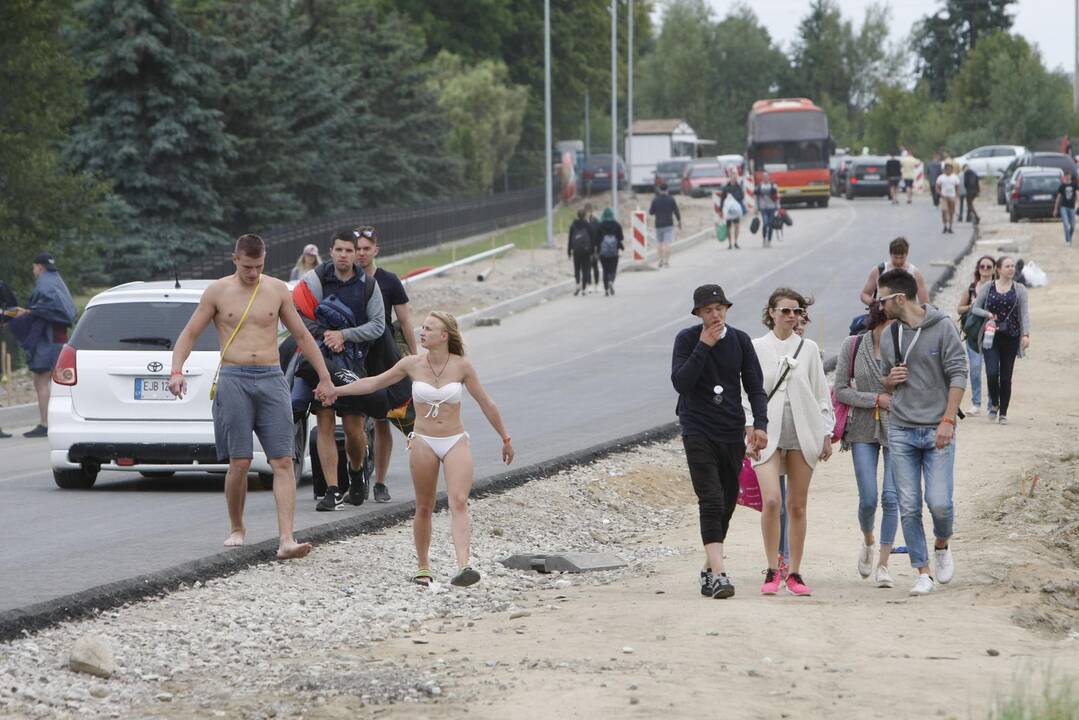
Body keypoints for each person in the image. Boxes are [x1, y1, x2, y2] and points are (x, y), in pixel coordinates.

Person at [168, 234, 334, 559]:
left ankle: (286, 538)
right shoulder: (218, 291)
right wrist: (177, 370)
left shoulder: (275, 290)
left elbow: (301, 334)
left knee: (284, 460)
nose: (253, 273)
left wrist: (325, 377)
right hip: (234, 378)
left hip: (271, 378)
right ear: (235, 260)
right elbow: (189, 334)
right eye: (247, 267)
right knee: (240, 462)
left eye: (259, 266)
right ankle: (237, 526)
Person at [324, 311, 513, 587]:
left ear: (444, 336)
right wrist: (336, 391)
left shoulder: (462, 366)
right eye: (422, 327)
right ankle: (423, 567)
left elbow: (487, 403)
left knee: (458, 501)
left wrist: (505, 438)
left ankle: (464, 566)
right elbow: (374, 383)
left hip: (455, 439)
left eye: (428, 329)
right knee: (424, 506)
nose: (421, 332)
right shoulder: (411, 364)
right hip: (423, 440)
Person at [671, 285, 768, 599]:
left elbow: (755, 387)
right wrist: (704, 346)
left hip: (731, 430)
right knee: (710, 499)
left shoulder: (740, 341)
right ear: (699, 313)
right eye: (708, 310)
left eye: (719, 308)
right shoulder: (687, 340)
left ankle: (708, 567)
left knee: (726, 503)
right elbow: (681, 383)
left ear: (727, 309)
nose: (715, 314)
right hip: (697, 428)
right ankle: (719, 574)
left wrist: (761, 426)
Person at [878, 268, 967, 595]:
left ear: (899, 298)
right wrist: (890, 381)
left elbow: (958, 374)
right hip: (901, 429)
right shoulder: (890, 335)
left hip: (937, 429)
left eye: (884, 298)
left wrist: (947, 420)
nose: (880, 305)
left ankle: (942, 544)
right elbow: (886, 380)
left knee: (939, 502)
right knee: (909, 504)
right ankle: (923, 571)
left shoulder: (942, 327)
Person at [745, 288, 833, 597]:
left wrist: (826, 432)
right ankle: (772, 568)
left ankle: (795, 572)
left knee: (797, 504)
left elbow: (821, 394)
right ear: (771, 312)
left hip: (802, 431)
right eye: (785, 311)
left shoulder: (808, 348)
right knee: (772, 501)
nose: (792, 316)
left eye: (796, 311)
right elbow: (746, 390)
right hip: (766, 433)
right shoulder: (755, 347)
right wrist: (749, 426)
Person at [295, 229, 386, 510]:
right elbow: (297, 315)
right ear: (331, 251)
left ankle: (357, 474)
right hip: (320, 362)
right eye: (339, 250)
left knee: (353, 429)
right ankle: (332, 489)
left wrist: (345, 335)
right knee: (323, 420)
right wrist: (325, 335)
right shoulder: (316, 279)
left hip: (354, 364)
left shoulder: (368, 285)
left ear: (355, 252)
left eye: (350, 250)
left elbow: (378, 325)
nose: (344, 255)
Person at [834, 302, 898, 588]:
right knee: (869, 498)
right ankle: (869, 540)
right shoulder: (853, 345)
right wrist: (874, 398)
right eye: (888, 326)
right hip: (860, 428)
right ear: (875, 323)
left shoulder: (902, 344)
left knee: (891, 497)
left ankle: (884, 564)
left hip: (897, 427)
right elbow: (841, 390)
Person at [355, 225, 417, 503]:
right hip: (354, 356)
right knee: (353, 422)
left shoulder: (389, 281)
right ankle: (354, 477)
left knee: (384, 419)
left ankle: (379, 481)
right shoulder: (345, 280)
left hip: (384, 356)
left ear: (376, 250)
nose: (361, 254)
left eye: (366, 249)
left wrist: (415, 359)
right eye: (357, 249)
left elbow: (404, 321)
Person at [7, 253, 77, 438]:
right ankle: (53, 421)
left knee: (41, 380)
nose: (33, 271)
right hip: (59, 338)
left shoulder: (45, 284)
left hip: (50, 340)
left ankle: (46, 424)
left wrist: (28, 311)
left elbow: (48, 310)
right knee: (51, 380)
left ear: (39, 267)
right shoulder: (57, 281)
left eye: (34, 268)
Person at [971, 256, 1030, 425]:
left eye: (1013, 266)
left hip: (1011, 337)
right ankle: (994, 403)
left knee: (1005, 376)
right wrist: (988, 314)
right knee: (991, 373)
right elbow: (975, 308)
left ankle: (1003, 412)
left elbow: (1024, 314)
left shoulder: (1020, 289)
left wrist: (1026, 334)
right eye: (1007, 266)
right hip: (991, 336)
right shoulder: (988, 287)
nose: (1011, 269)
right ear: (998, 269)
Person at [956, 255, 997, 415]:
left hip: (992, 334)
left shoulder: (998, 287)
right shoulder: (972, 288)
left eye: (988, 266)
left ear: (994, 269)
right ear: (978, 268)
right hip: (973, 335)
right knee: (975, 368)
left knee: (993, 370)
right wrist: (971, 307)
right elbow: (959, 309)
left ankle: (993, 404)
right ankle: (976, 403)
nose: (985, 269)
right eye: (982, 266)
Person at [859, 237, 930, 308]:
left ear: (907, 254)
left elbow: (924, 303)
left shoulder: (915, 273)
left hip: (907, 317)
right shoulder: (879, 270)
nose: (898, 261)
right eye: (895, 257)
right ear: (890, 254)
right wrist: (875, 304)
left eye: (902, 257)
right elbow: (865, 294)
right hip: (884, 316)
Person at [648, 184, 681, 268]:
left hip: (658, 224)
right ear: (667, 190)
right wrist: (679, 221)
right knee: (667, 243)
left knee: (659, 243)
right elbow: (676, 211)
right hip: (669, 224)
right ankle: (666, 262)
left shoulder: (655, 200)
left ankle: (660, 260)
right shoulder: (671, 199)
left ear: (659, 190)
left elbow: (651, 212)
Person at [595, 207, 624, 296]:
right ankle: (611, 280)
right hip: (614, 251)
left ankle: (606, 290)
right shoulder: (617, 225)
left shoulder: (600, 225)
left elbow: (596, 239)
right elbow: (621, 238)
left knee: (605, 270)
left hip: (603, 251)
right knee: (613, 269)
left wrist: (596, 249)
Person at [567, 208, 594, 296]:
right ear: (585, 215)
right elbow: (592, 238)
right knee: (586, 268)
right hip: (586, 250)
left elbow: (570, 239)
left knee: (577, 268)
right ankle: (584, 288)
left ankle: (577, 284)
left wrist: (569, 250)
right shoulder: (588, 225)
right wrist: (592, 250)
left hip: (576, 250)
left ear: (577, 215)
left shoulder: (573, 225)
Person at [1052, 171, 1078, 247]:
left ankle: (1069, 237)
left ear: (1070, 176)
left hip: (1072, 208)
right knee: (1066, 225)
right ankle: (1068, 240)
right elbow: (1058, 198)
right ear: (1064, 177)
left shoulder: (1074, 185)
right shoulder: (1062, 186)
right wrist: (1055, 209)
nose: (1067, 177)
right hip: (1064, 207)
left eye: (1068, 175)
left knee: (1073, 225)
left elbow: (1077, 194)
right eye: (1066, 175)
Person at [720, 171, 744, 250]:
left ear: (736, 178)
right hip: (728, 210)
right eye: (732, 177)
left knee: (737, 226)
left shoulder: (739, 187)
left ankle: (736, 242)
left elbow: (742, 197)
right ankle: (730, 243)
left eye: (734, 177)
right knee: (728, 227)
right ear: (730, 178)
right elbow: (722, 199)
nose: (733, 179)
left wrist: (734, 199)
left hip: (736, 210)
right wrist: (721, 209)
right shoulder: (726, 187)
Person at [755, 172, 780, 247]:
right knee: (765, 224)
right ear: (763, 178)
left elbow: (777, 197)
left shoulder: (773, 186)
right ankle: (764, 239)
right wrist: (756, 207)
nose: (765, 178)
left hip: (772, 207)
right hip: (763, 208)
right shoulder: (759, 186)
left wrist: (778, 207)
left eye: (767, 177)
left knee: (770, 224)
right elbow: (757, 197)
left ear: (769, 177)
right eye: (764, 177)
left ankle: (769, 241)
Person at [936, 161, 960, 234]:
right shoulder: (941, 177)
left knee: (951, 212)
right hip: (944, 197)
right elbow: (937, 187)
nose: (948, 170)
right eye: (947, 169)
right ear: (944, 169)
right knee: (944, 211)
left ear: (952, 170)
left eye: (949, 169)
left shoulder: (955, 177)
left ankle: (950, 227)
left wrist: (956, 195)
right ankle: (945, 225)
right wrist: (940, 193)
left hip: (952, 196)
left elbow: (958, 187)